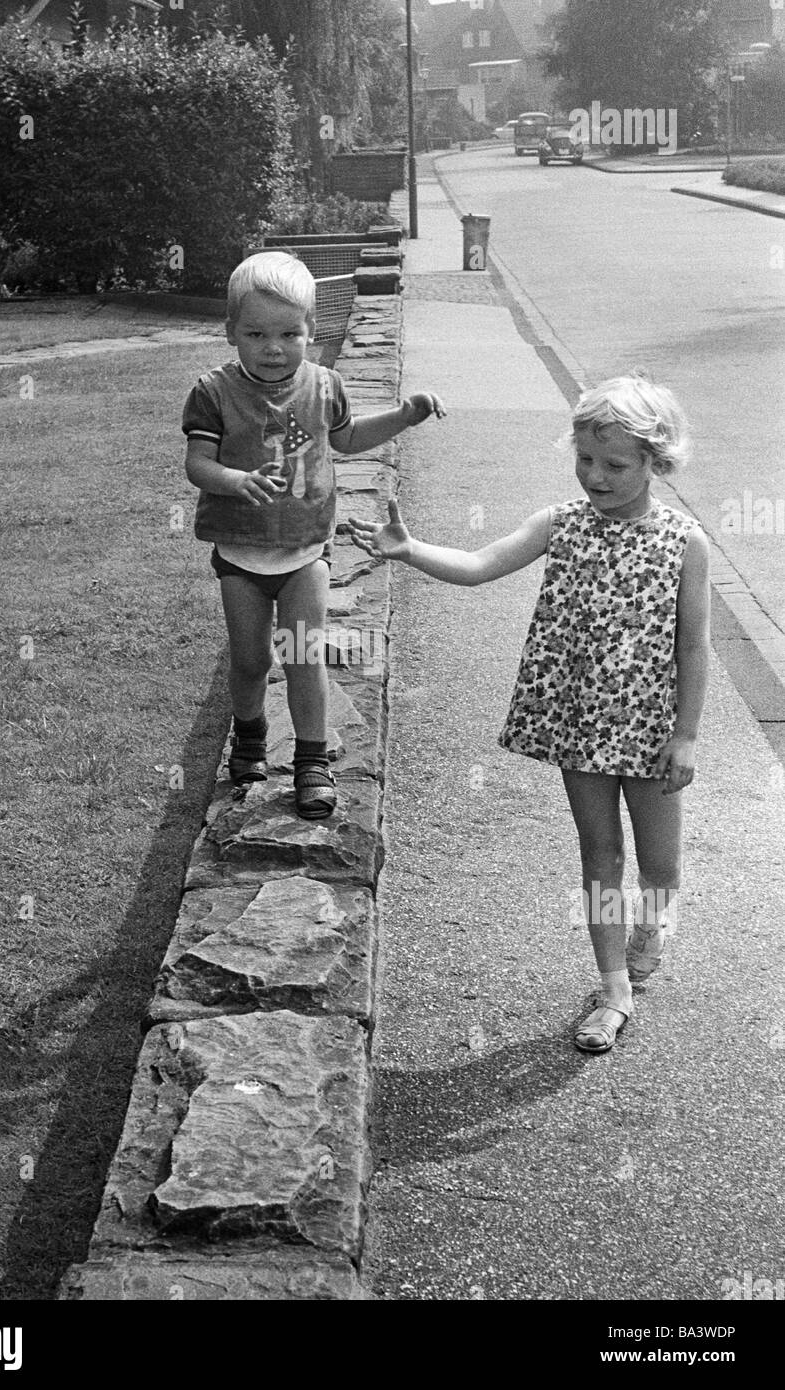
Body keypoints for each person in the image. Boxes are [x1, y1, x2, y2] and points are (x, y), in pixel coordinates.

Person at [348, 375, 710, 1053]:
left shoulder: (685, 542)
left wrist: (686, 735)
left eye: (615, 465)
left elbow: (695, 647)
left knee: (660, 869)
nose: (596, 477)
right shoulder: (561, 523)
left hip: (654, 730)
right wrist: (409, 549)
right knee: (600, 853)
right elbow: (482, 563)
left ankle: (652, 926)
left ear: (656, 463)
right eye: (586, 460)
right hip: (578, 725)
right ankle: (613, 993)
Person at [183, 250, 444, 819]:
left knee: (304, 656)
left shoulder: (324, 386)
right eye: (256, 333)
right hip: (241, 553)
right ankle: (249, 739)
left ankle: (312, 761)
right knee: (251, 660)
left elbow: (346, 440)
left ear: (311, 329)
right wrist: (234, 478)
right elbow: (197, 464)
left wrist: (403, 415)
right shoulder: (213, 391)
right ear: (231, 332)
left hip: (305, 550)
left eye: (289, 333)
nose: (274, 347)